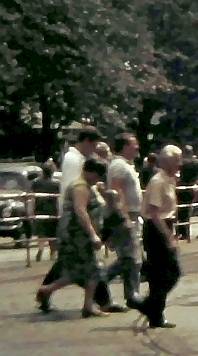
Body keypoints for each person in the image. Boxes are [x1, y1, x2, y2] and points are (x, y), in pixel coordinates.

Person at [35, 158, 109, 318]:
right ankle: (47, 289)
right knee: (79, 271)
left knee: (93, 271)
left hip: (80, 235)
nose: (98, 179)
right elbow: (81, 211)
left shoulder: (87, 186)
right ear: (89, 172)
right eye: (97, 175)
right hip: (76, 236)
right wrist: (93, 235)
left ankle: (88, 305)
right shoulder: (80, 187)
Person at [128, 145, 183, 329]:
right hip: (156, 228)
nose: (179, 164)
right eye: (176, 160)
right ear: (166, 161)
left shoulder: (170, 179)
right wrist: (168, 237)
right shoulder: (158, 181)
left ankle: (154, 312)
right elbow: (154, 212)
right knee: (169, 272)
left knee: (161, 275)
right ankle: (150, 306)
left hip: (165, 225)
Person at [105, 132, 144, 306]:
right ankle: (102, 280)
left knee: (131, 258)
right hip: (125, 216)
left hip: (132, 214)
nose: (137, 147)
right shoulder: (119, 166)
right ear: (124, 146)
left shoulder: (126, 165)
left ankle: (131, 294)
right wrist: (124, 216)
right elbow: (116, 192)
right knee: (130, 258)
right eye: (133, 144)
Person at [32, 163, 60, 262]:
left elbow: (32, 195)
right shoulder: (56, 184)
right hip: (52, 210)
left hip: (39, 209)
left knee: (41, 233)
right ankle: (53, 253)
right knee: (52, 233)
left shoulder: (36, 183)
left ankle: (40, 249)